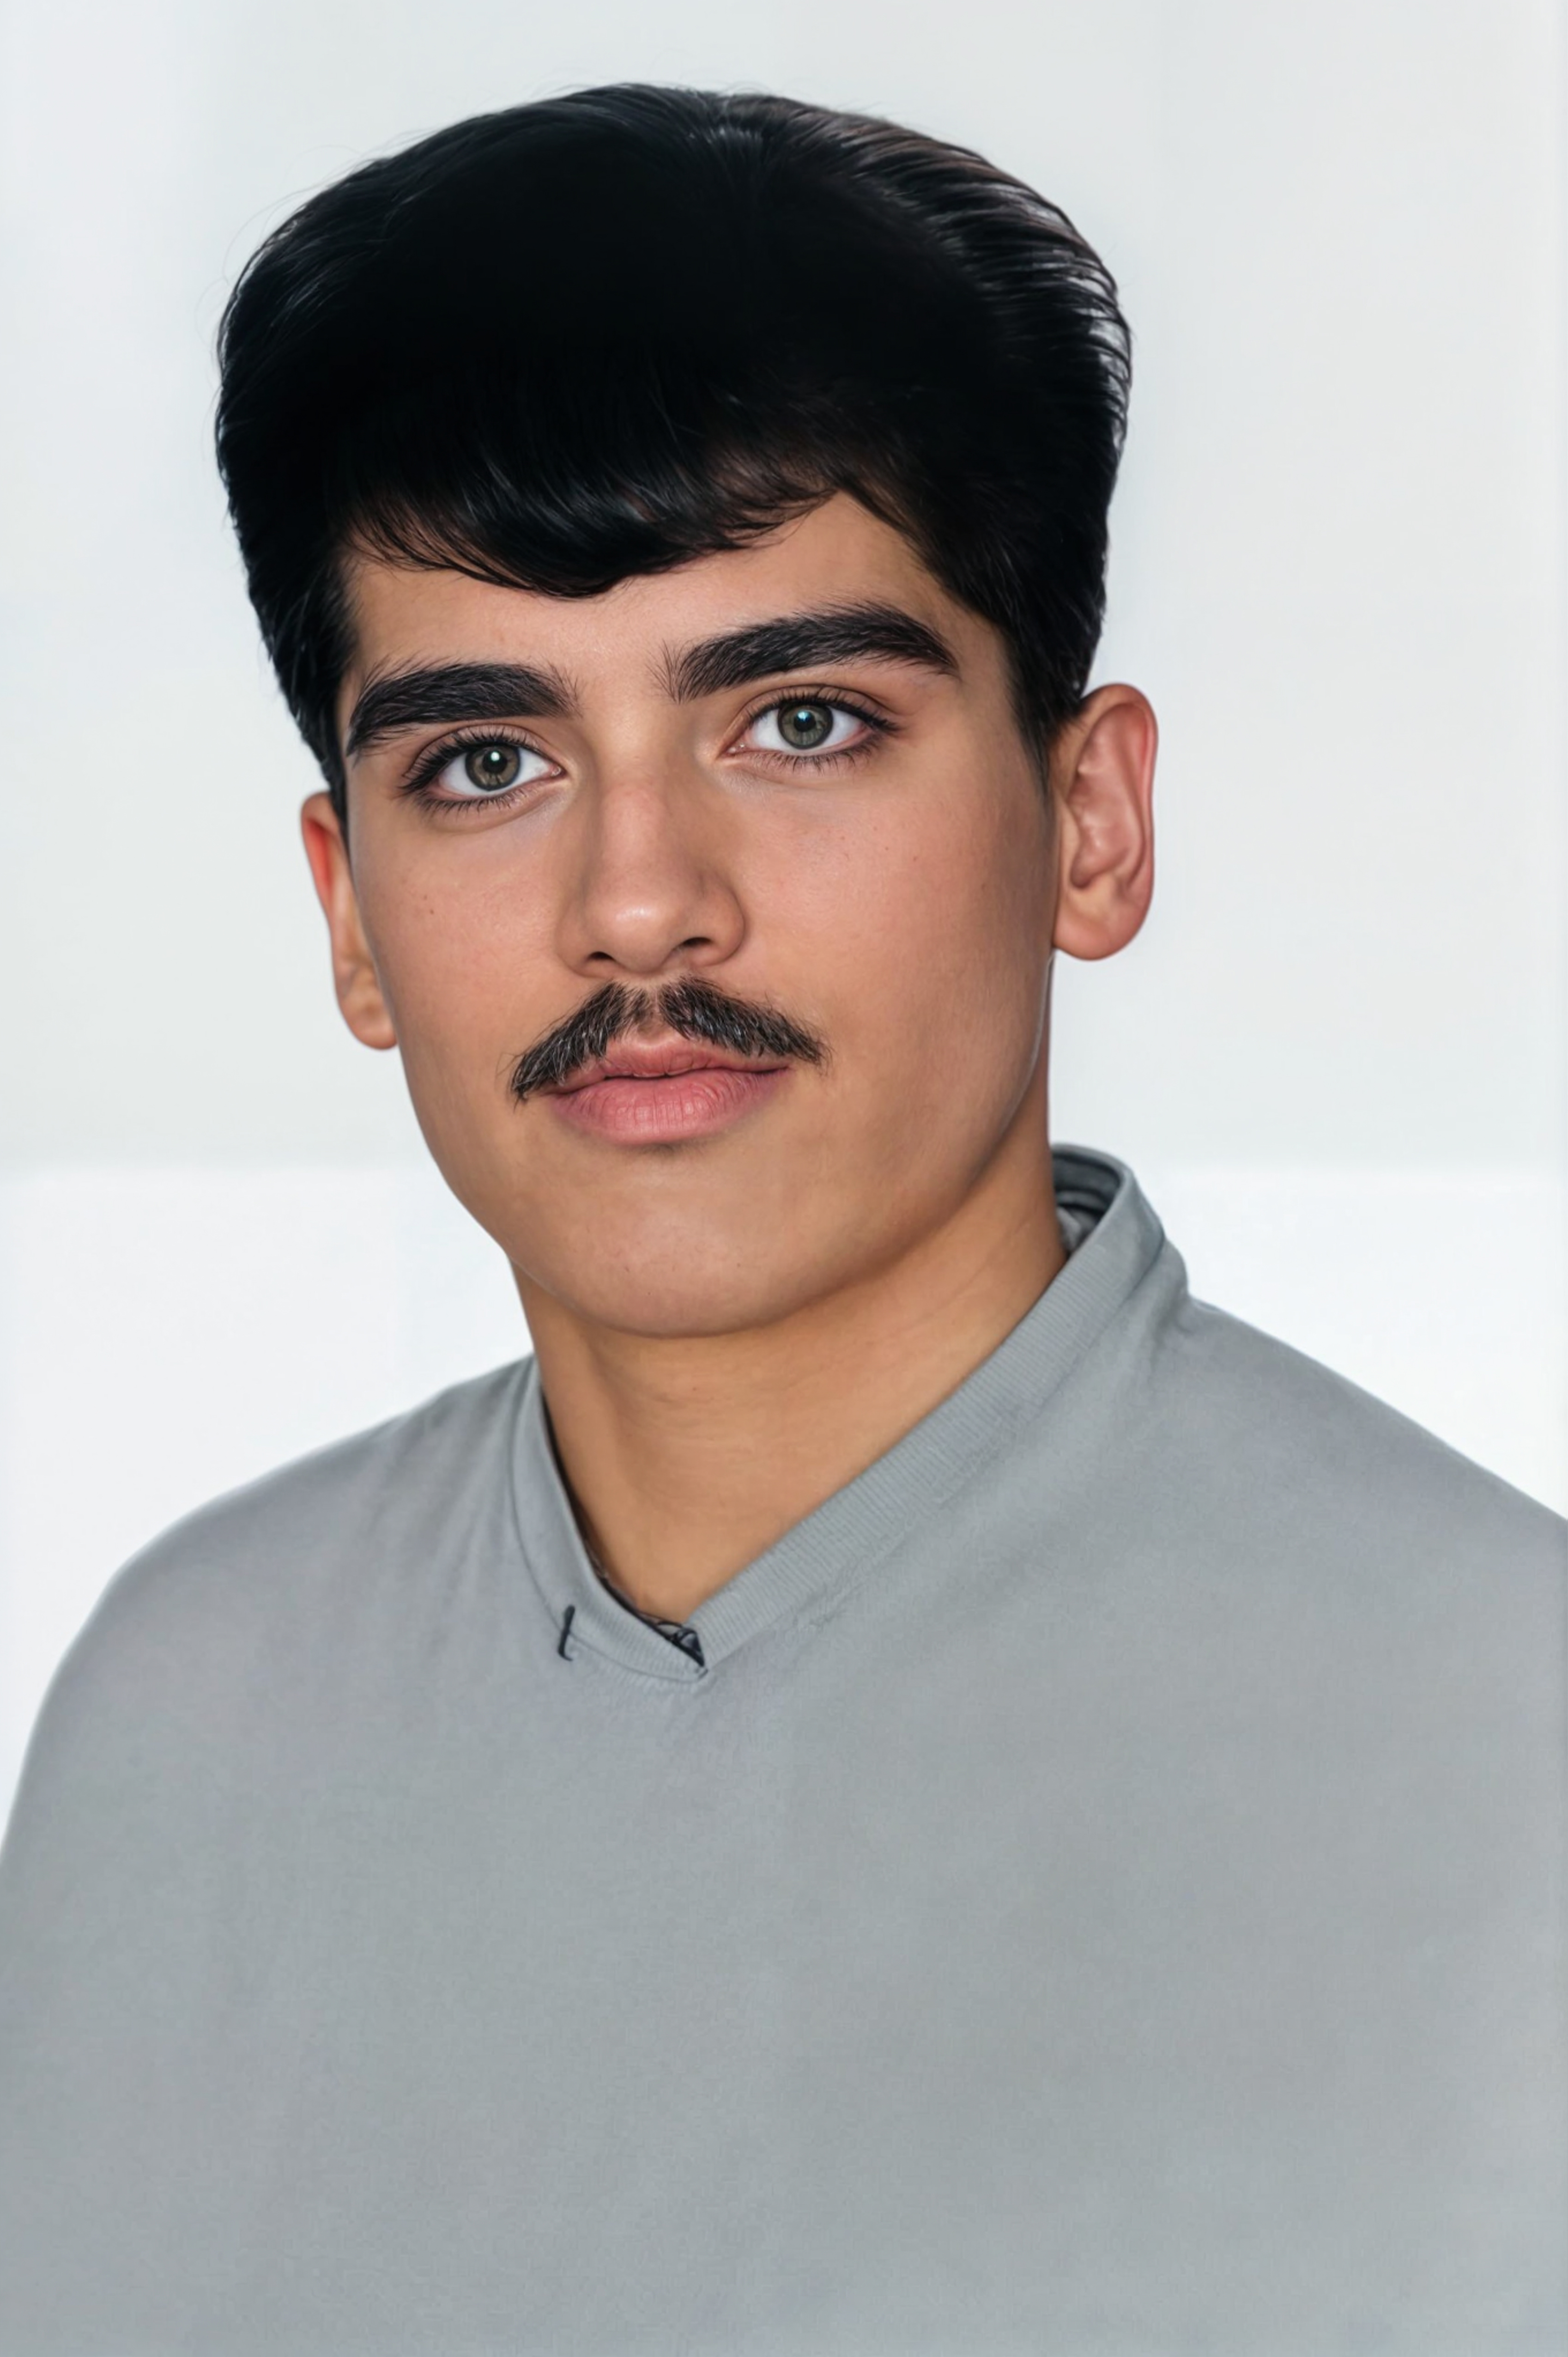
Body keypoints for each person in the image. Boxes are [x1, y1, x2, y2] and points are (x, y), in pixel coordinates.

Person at [0, 82, 1562, 2357]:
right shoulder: (183, 1714)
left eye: (803, 720)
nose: (640, 900)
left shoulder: (1510, 1751)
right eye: (486, 764)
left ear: (1092, 820)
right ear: (349, 914)